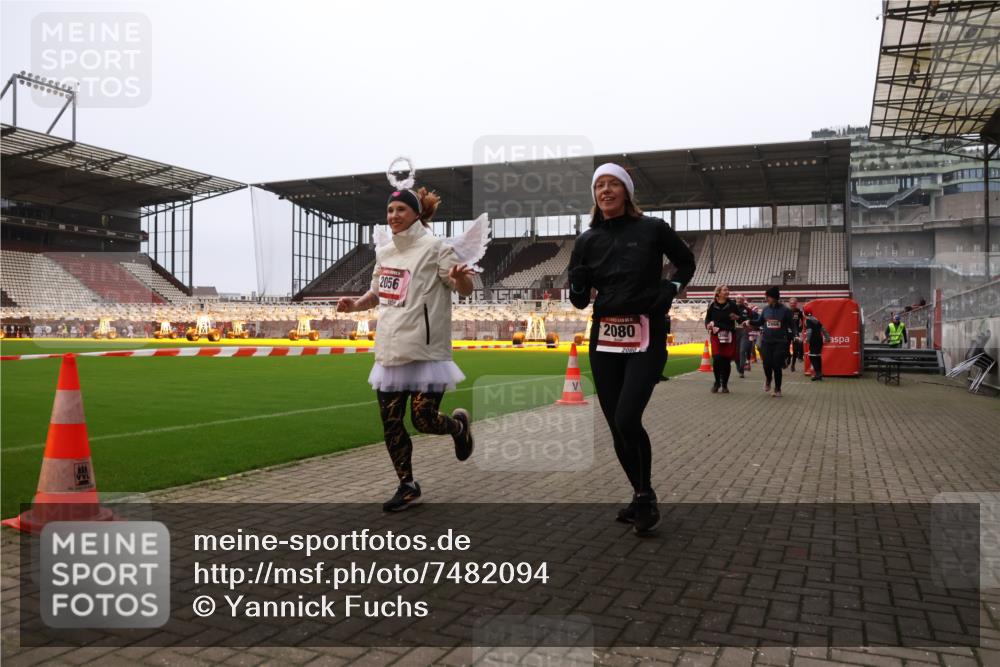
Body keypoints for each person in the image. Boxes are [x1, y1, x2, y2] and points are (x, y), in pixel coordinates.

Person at [337, 179, 483, 512]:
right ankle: (407, 485)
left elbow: (464, 288)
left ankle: (458, 427)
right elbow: (377, 293)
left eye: (400, 209)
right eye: (389, 210)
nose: (393, 215)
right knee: (391, 423)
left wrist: (461, 278)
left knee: (423, 419)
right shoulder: (385, 252)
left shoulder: (436, 247)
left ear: (416, 214)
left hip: (426, 352)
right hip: (390, 350)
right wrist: (355, 305)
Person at [568, 163, 696, 535]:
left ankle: (644, 497)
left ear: (626, 191)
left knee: (627, 418)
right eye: (599, 186)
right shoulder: (586, 241)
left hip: (646, 332)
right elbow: (579, 301)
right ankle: (642, 495)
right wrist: (578, 285)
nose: (605, 191)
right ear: (594, 195)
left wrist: (670, 289)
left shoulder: (653, 229)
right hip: (605, 337)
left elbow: (686, 262)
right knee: (616, 426)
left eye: (613, 184)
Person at [749, 286, 794, 398]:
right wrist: (749, 322)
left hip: (780, 342)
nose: (766, 299)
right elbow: (759, 322)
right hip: (766, 341)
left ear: (774, 297)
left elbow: (792, 325)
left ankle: (778, 389)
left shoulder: (785, 310)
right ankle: (768, 379)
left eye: (767, 297)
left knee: (777, 365)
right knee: (766, 364)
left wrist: (795, 336)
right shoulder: (765, 309)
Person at [703, 285, 743, 393]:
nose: (727, 291)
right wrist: (708, 325)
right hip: (716, 334)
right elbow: (707, 318)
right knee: (717, 359)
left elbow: (740, 319)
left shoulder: (732, 305)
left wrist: (737, 317)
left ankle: (724, 384)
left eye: (728, 290)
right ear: (718, 293)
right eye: (725, 290)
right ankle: (717, 383)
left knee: (726, 360)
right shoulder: (712, 304)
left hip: (729, 335)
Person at [802, 305, 831, 381]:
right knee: (817, 356)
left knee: (812, 357)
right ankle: (819, 374)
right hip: (819, 340)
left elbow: (809, 330)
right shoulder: (816, 319)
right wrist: (827, 337)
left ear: (804, 313)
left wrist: (807, 339)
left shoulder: (807, 320)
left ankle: (818, 374)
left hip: (813, 341)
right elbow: (823, 329)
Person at [785, 297, 805, 372]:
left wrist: (800, 329)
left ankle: (793, 365)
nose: (792, 304)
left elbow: (803, 321)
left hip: (795, 333)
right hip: (787, 332)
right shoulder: (786, 311)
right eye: (791, 303)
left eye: (794, 303)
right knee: (786, 348)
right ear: (789, 303)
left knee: (795, 349)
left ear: (796, 304)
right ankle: (788, 357)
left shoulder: (799, 312)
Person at [734, 294, 752, 378]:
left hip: (744, 332)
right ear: (735, 299)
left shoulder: (747, 310)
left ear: (743, 300)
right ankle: (739, 368)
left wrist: (749, 323)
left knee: (742, 350)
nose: (739, 300)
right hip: (733, 332)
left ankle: (742, 369)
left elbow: (752, 320)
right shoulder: (731, 308)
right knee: (735, 353)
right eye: (737, 298)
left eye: (741, 298)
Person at [659, 314, 672, 382]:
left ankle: (659, 374)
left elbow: (667, 329)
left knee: (663, 355)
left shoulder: (666, 317)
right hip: (655, 337)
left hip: (662, 337)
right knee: (661, 356)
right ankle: (658, 374)